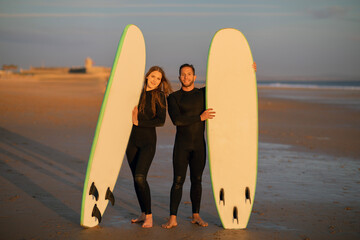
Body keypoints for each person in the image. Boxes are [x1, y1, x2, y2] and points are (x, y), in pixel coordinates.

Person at [162, 63, 215, 228]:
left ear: (194, 77)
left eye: (189, 74)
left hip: (199, 145)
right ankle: (172, 218)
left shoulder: (203, 93)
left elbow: (227, 83)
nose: (186, 77)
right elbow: (177, 120)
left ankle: (196, 215)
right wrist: (200, 117)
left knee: (197, 180)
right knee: (178, 181)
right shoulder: (173, 98)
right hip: (181, 146)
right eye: (183, 74)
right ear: (179, 78)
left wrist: (247, 69)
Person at [126, 66, 172, 228]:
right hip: (130, 141)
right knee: (136, 180)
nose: (155, 80)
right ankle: (143, 213)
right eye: (153, 76)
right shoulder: (135, 93)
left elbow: (160, 121)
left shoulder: (159, 96)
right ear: (146, 76)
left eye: (158, 78)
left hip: (148, 142)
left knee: (140, 177)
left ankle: (150, 216)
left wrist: (138, 122)